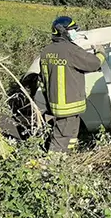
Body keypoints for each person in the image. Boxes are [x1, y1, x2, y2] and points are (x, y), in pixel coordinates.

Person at [39, 16, 105, 152]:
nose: (74, 33)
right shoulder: (71, 50)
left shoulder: (47, 51)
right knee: (62, 138)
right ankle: (53, 165)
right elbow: (94, 63)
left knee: (70, 135)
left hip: (54, 103)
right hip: (69, 105)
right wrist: (100, 52)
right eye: (72, 30)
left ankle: (66, 157)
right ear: (64, 32)